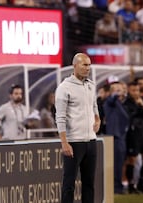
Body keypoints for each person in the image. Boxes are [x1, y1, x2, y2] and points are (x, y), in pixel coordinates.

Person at [55, 53, 101, 203]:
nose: (88, 68)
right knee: (69, 184)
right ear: (74, 66)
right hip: (74, 141)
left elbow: (94, 104)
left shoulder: (91, 85)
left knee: (89, 184)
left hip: (91, 141)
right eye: (84, 65)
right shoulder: (64, 88)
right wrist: (64, 142)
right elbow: (60, 116)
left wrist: (97, 118)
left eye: (89, 65)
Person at [123, 81, 143, 194]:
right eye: (133, 90)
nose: (136, 93)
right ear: (129, 91)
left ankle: (141, 181)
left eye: (137, 90)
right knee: (132, 160)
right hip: (132, 133)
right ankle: (131, 185)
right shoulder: (126, 103)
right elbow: (129, 116)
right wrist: (138, 109)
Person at [103, 81, 130, 194]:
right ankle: (116, 187)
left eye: (120, 89)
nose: (119, 91)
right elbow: (112, 99)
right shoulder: (110, 101)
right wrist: (115, 94)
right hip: (115, 136)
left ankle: (118, 185)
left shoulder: (121, 103)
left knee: (120, 163)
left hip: (121, 136)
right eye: (116, 89)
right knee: (116, 164)